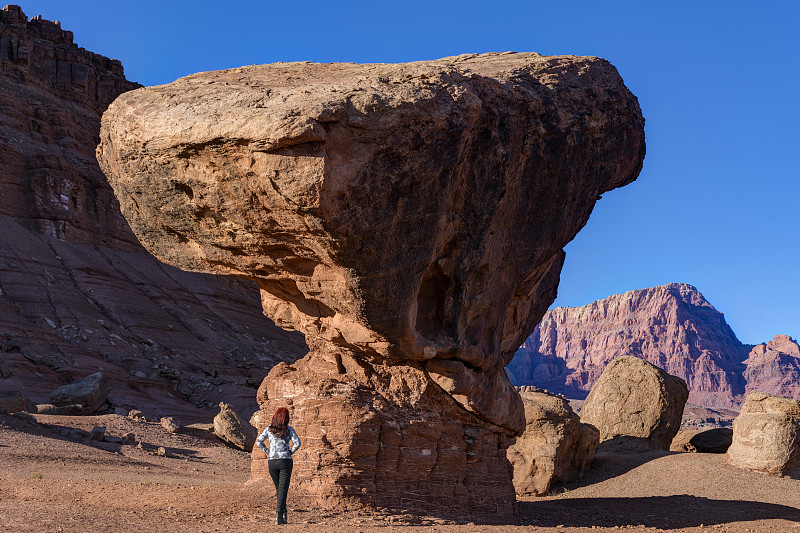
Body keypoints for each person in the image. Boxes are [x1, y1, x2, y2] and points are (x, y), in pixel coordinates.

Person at [256, 407, 301, 525]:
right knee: (283, 490)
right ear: (286, 419)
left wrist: (268, 451)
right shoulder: (289, 429)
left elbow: (258, 441)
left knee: (279, 489)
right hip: (285, 461)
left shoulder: (268, 430)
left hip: (272, 462)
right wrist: (290, 452)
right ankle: (279, 516)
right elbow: (298, 443)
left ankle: (283, 513)